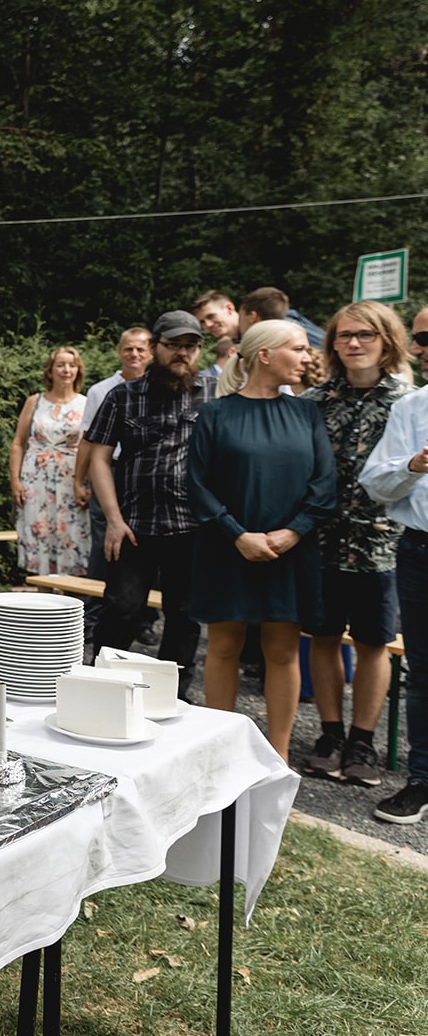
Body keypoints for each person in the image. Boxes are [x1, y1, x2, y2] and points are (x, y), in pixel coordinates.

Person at [188, 321, 336, 763]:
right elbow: (196, 485)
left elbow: (325, 484)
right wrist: (237, 534)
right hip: (226, 546)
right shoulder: (215, 413)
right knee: (224, 646)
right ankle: (218, 753)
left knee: (282, 649)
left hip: (291, 549)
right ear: (265, 355)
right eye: (298, 349)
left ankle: (278, 758)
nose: (307, 357)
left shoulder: (307, 414)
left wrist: (294, 532)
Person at [296, 302, 412, 783]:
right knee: (322, 638)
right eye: (344, 335)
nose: (354, 343)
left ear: (387, 340)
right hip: (322, 542)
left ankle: (362, 744)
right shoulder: (313, 403)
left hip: (383, 544)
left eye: (365, 334)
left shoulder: (409, 402)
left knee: (373, 643)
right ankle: (330, 734)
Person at [84, 311, 214, 696]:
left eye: (190, 346)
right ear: (156, 347)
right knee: (121, 610)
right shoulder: (123, 395)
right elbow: (99, 457)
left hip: (192, 527)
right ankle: (103, 688)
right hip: (134, 525)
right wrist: (112, 518)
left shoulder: (214, 394)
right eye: (173, 345)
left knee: (184, 617)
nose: (182, 353)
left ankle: (173, 696)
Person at [359, 371, 428, 823]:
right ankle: (422, 779)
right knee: (423, 669)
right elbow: (375, 482)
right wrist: (412, 467)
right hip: (421, 547)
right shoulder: (412, 407)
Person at [74, 327, 152, 638]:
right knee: (102, 546)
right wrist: (79, 479)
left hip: (143, 474)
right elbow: (88, 440)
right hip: (107, 469)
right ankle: (94, 615)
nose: (134, 354)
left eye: (140, 349)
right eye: (128, 349)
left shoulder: (160, 389)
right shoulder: (100, 390)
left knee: (146, 544)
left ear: (150, 353)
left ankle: (144, 620)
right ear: (119, 352)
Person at [9, 345, 91, 575]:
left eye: (72, 365)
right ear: (50, 370)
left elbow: (92, 447)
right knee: (40, 536)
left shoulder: (86, 404)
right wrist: (15, 480)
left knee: (73, 539)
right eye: (61, 365)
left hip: (72, 480)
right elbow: (18, 442)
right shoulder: (34, 402)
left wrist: (88, 483)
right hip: (35, 481)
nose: (66, 370)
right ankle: (43, 607)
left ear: (78, 370)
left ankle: (73, 607)